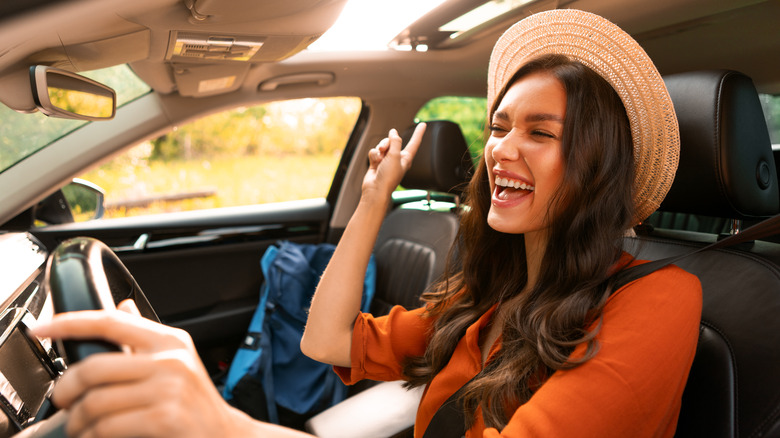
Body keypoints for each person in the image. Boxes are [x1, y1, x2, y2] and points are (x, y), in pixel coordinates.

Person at [30, 9, 701, 438]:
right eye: (498, 127)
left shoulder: (662, 299)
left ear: (595, 167)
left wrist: (224, 427)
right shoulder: (488, 299)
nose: (501, 148)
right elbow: (327, 342)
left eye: (539, 131)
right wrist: (376, 197)